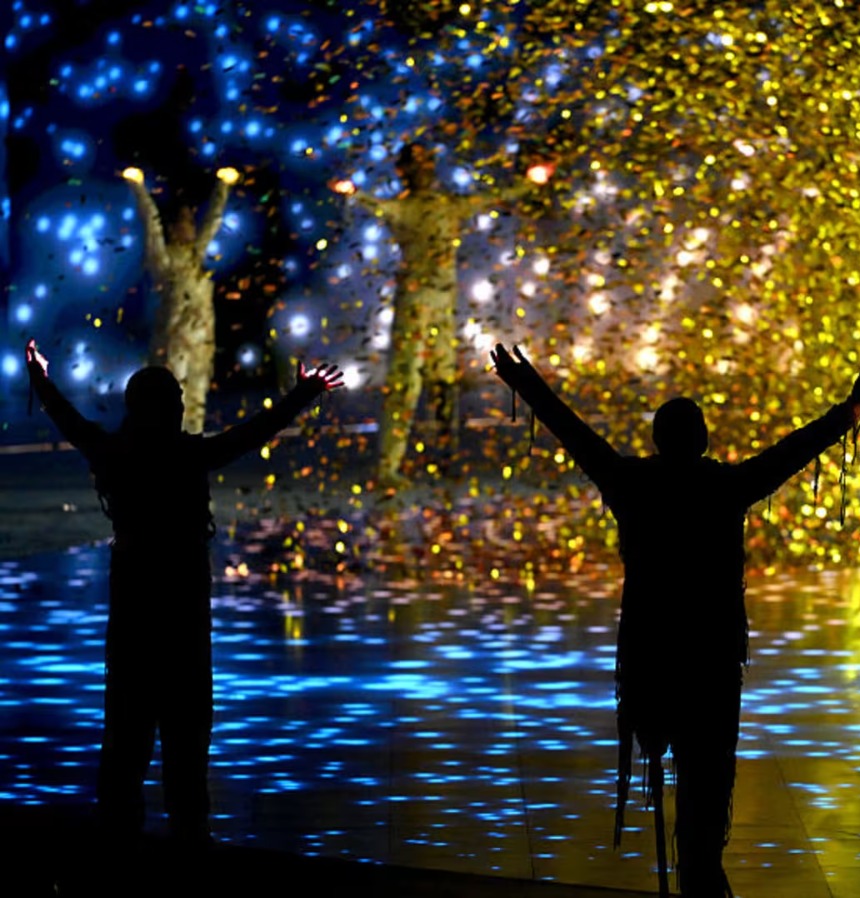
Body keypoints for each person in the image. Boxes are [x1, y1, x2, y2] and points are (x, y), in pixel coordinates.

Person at [491, 343, 860, 898]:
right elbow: (794, 451)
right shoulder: (723, 487)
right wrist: (851, 410)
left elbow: (572, 431)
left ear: (657, 440)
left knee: (665, 763)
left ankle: (693, 871)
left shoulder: (631, 482)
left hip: (650, 655)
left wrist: (525, 382)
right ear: (702, 440)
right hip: (710, 659)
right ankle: (702, 874)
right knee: (706, 781)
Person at [25, 338, 344, 846]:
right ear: (168, 408)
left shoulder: (115, 454)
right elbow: (251, 433)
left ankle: (118, 850)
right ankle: (188, 849)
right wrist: (302, 394)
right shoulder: (189, 455)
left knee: (125, 740)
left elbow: (67, 418)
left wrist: (40, 378)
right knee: (186, 746)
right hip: (182, 621)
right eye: (173, 400)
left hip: (133, 618)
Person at [333, 143, 551, 487]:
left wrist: (528, 183)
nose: (424, 169)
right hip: (416, 303)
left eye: (427, 162)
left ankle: (445, 460)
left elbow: (492, 197)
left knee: (444, 382)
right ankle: (389, 467)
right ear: (405, 171)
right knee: (407, 383)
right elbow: (375, 204)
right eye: (416, 164)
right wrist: (354, 193)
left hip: (441, 304)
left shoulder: (447, 206)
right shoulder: (405, 208)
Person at [124, 165, 239, 433]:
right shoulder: (165, 261)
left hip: (202, 343)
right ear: (174, 228)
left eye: (191, 220)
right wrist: (138, 187)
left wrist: (223, 187)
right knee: (170, 403)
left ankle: (192, 454)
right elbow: (151, 224)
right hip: (173, 344)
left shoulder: (195, 258)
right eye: (185, 221)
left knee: (197, 402)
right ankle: (166, 454)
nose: (191, 227)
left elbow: (212, 222)